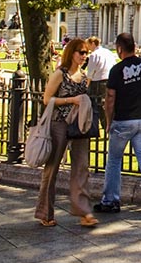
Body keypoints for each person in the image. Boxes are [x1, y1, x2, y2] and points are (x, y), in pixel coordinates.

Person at [95, 33, 141, 216]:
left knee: (113, 160)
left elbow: (110, 98)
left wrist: (108, 120)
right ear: (134, 46)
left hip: (123, 120)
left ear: (119, 49)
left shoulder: (117, 70)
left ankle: (111, 200)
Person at [35, 38, 97, 227]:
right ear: (72, 53)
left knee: (81, 167)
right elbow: (47, 99)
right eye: (81, 52)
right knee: (52, 168)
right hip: (59, 123)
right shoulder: (60, 74)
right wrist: (72, 100)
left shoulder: (85, 76)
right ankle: (45, 212)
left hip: (78, 125)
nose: (84, 56)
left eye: (86, 53)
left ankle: (84, 212)